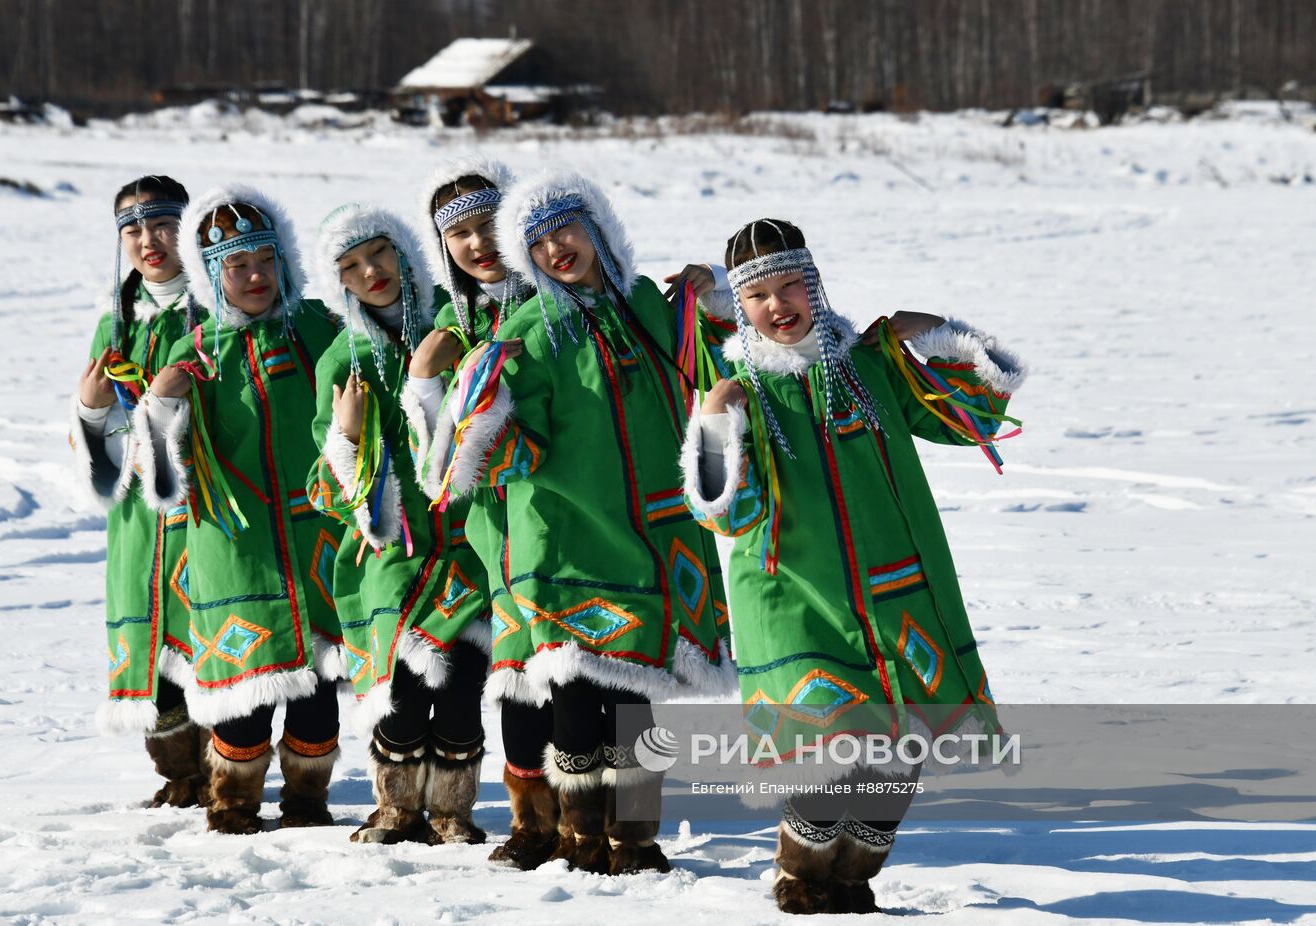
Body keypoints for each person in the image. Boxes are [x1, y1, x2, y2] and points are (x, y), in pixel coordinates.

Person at [682, 218, 1026, 914]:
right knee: (831, 754)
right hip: (794, 602)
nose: (778, 306)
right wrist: (718, 423)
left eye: (790, 286)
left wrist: (938, 334)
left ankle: (851, 881)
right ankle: (801, 879)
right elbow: (725, 513)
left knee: (896, 759)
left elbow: (976, 416)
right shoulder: (738, 388)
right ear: (738, 307)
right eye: (758, 296)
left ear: (813, 284)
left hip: (900, 594)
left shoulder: (868, 368)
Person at [415, 170, 736, 874]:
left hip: (652, 539)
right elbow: (493, 456)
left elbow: (726, 329)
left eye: (568, 227)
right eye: (536, 239)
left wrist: (706, 283)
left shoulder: (646, 305)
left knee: (638, 693)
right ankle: (575, 834)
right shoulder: (527, 331)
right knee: (568, 696)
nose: (557, 247)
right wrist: (478, 398)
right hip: (560, 540)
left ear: (600, 227)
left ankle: (636, 837)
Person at [134, 185, 346, 834]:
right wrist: (162, 399)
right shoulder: (198, 350)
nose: (255, 277)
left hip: (316, 548)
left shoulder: (318, 328)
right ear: (211, 275)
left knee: (316, 695)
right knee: (241, 699)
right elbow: (157, 474)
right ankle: (232, 806)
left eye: (264, 259)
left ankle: (308, 801)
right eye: (236, 265)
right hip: (236, 553)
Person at [307, 202, 491, 845]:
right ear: (338, 283)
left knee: (466, 689)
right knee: (404, 694)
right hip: (391, 556)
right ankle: (396, 807)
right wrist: (348, 435)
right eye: (351, 266)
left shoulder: (457, 320)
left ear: (406, 251)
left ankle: (451, 811)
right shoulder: (342, 362)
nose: (371, 272)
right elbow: (329, 489)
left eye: (379, 253)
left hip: (471, 546)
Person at [402, 156, 563, 868]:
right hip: (500, 530)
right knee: (520, 674)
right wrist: (424, 381)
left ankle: (626, 821)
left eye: (488, 225)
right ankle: (533, 822)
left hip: (584, 512)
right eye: (459, 234)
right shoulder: (450, 323)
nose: (477, 244)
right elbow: (435, 459)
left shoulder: (566, 297)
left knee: (609, 672)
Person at [70, 174, 209, 806]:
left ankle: (233, 769)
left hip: (209, 504)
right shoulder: (114, 324)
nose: (148, 241)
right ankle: (181, 773)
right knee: (152, 643)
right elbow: (97, 435)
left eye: (163, 225)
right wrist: (90, 410)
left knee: (213, 635)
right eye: (133, 229)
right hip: (137, 516)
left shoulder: (216, 307)